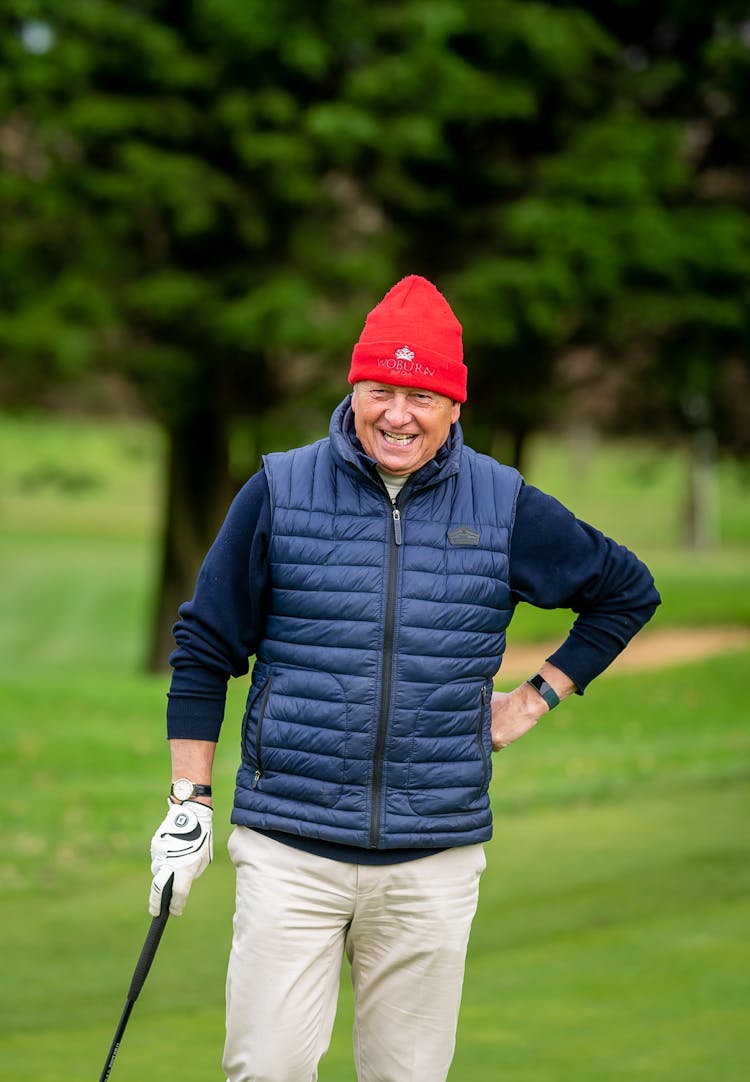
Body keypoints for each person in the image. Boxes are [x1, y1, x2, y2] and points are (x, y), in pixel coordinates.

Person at [148, 275, 660, 1082]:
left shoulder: (503, 503)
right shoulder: (279, 490)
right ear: (354, 389)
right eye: (381, 389)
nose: (397, 414)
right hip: (290, 846)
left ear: (455, 406)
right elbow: (206, 645)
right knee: (266, 1071)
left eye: (421, 396)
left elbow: (625, 591)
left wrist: (537, 697)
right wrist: (189, 806)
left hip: (433, 858)